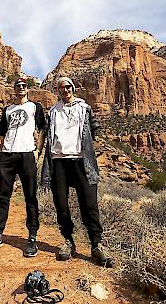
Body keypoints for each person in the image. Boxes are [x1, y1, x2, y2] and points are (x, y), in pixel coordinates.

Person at [40, 76, 113, 267]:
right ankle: (68, 241)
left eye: (68, 87)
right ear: (58, 91)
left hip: (82, 161)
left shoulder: (84, 107)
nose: (65, 90)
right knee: (61, 205)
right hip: (58, 162)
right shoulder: (53, 111)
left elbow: (94, 128)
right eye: (61, 88)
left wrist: (87, 147)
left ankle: (96, 245)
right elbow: (45, 133)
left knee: (89, 204)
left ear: (72, 88)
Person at [0, 77, 46, 257]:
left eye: (23, 86)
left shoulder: (35, 107)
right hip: (7, 155)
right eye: (17, 86)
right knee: (4, 196)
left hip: (27, 154)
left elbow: (42, 129)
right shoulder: (8, 109)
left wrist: (37, 152)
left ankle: (32, 237)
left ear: (27, 89)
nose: (20, 88)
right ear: (14, 89)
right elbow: (2, 133)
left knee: (30, 197)